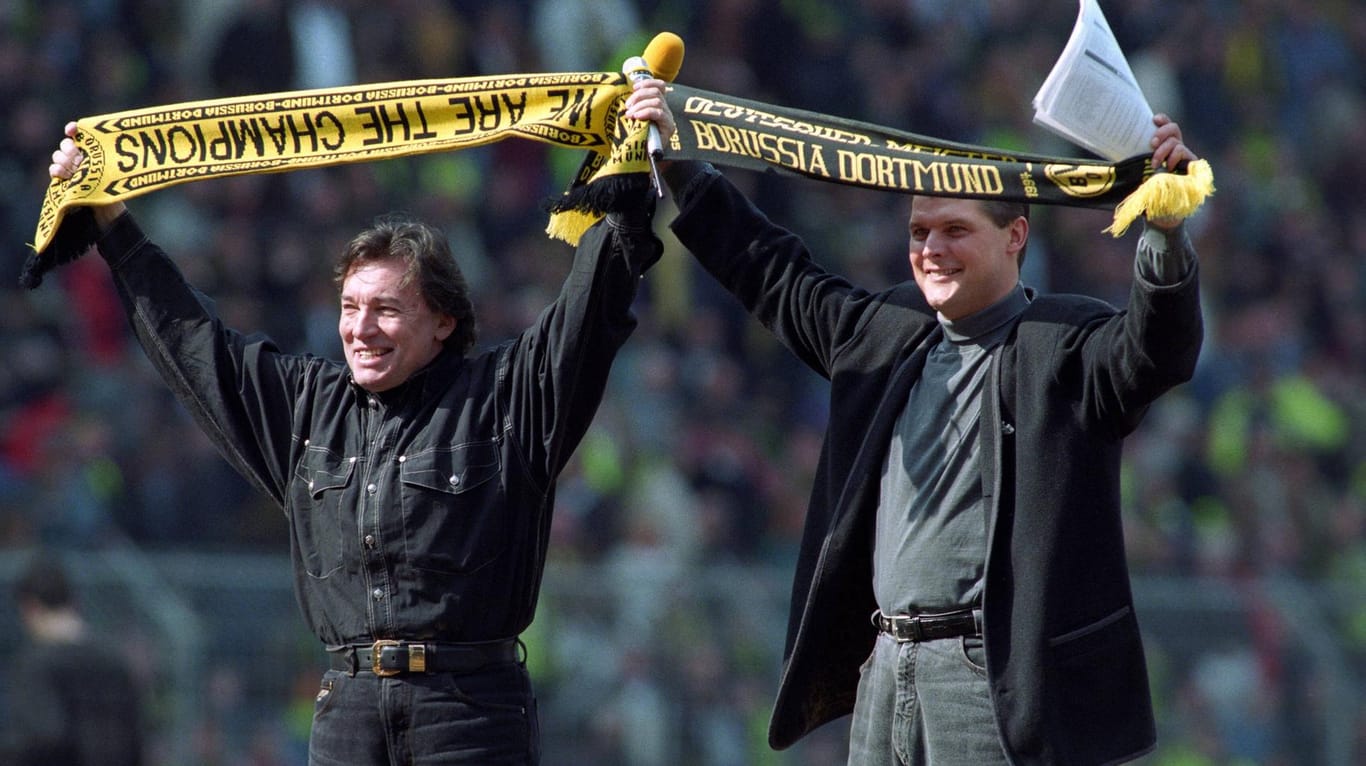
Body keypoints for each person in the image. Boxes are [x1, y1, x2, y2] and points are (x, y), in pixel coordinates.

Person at [45, 113, 664, 764]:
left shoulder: (504, 399)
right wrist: (110, 221)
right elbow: (195, 346)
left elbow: (588, 317)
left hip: (470, 715)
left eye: (386, 309)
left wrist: (629, 170)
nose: (360, 329)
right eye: (349, 307)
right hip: (346, 713)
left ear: (445, 321)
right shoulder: (308, 409)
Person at [626, 80, 1203, 765]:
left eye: (956, 230)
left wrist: (1165, 232)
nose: (932, 248)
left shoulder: (1064, 342)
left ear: (1015, 235)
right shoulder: (889, 329)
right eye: (919, 232)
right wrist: (683, 166)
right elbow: (773, 272)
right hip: (885, 666)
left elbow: (1156, 351)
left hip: (990, 679)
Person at [5, 552, 146, 766]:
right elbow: (136, 738)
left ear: (29, 607)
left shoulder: (35, 665)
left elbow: (41, 737)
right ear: (73, 601)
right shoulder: (114, 661)